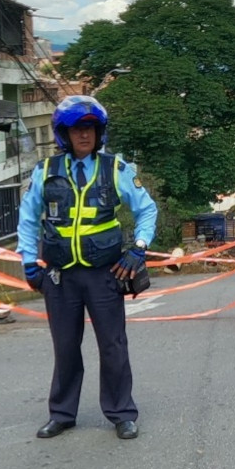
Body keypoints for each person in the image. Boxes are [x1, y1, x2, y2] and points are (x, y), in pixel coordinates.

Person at [17, 95, 158, 441]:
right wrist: (28, 262)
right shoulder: (45, 171)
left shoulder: (116, 169)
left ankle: (122, 413)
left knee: (113, 345)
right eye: (77, 129)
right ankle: (62, 414)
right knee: (65, 346)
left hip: (104, 273)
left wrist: (139, 249)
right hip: (60, 275)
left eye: (90, 129)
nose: (84, 135)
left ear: (99, 133)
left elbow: (147, 210)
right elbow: (28, 218)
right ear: (64, 134)